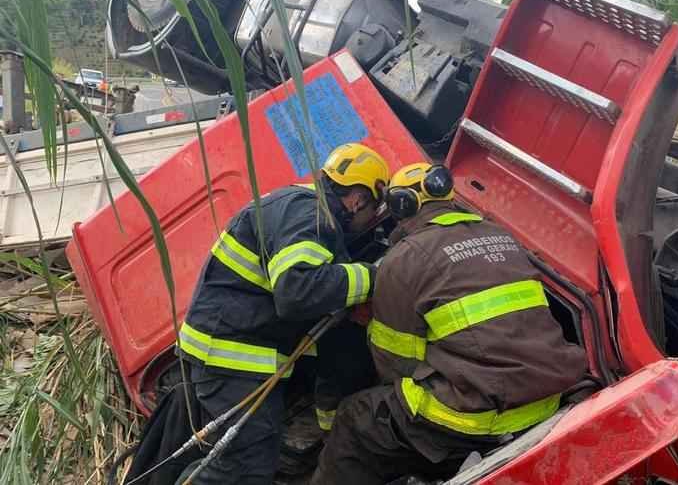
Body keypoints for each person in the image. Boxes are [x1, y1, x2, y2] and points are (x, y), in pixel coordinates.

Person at [127, 143, 390, 485]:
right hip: (232, 361)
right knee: (246, 468)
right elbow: (298, 291)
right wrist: (372, 276)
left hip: (216, 354)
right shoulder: (311, 216)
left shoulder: (295, 206)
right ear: (357, 198)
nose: (373, 217)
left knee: (211, 457)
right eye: (375, 207)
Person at [312, 162, 588, 485]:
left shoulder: (403, 259)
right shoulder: (503, 236)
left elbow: (395, 365)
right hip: (547, 397)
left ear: (402, 209)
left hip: (475, 416)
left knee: (354, 420)